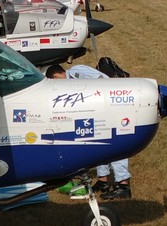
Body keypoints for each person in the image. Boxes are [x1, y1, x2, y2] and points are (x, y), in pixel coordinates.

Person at [46, 63, 132, 199]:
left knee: (115, 145)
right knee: (99, 146)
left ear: (56, 76)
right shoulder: (70, 81)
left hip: (109, 107)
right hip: (99, 112)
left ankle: (123, 186)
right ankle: (103, 181)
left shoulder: (75, 72)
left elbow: (101, 83)